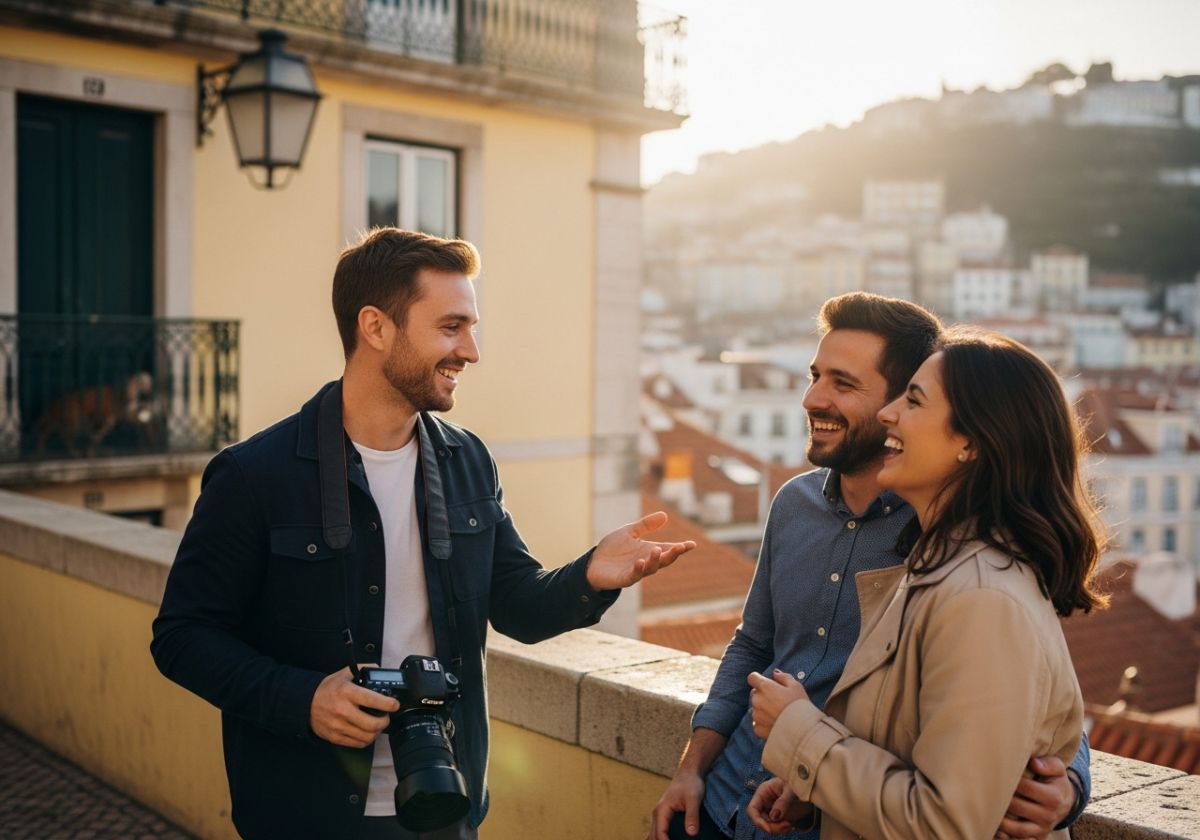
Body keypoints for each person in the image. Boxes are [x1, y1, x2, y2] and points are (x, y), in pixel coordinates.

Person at [151, 228, 695, 840]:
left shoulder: (470, 461)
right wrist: (302, 699)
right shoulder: (253, 475)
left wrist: (591, 575)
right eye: (451, 327)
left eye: (471, 327)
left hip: (445, 805)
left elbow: (516, 605)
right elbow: (182, 637)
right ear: (376, 328)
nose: (471, 351)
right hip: (303, 814)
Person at [649, 293, 1090, 840]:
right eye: (815, 376)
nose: (813, 397)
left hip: (836, 815)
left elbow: (1025, 691)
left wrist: (1071, 783)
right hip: (736, 802)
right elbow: (752, 645)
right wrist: (691, 769)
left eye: (844, 383)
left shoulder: (950, 548)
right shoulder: (796, 505)